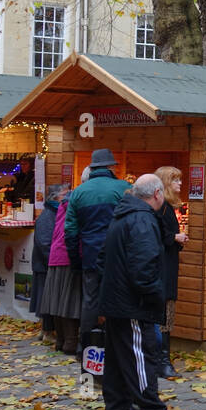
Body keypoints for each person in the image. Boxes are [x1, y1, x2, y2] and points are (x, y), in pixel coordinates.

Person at [96, 173, 187, 410]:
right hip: (133, 304)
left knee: (117, 359)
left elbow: (102, 259)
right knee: (140, 358)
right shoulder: (143, 220)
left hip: (116, 301)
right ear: (157, 194)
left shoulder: (123, 215)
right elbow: (144, 267)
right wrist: (154, 296)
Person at [65, 149, 130, 351]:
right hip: (118, 255)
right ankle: (115, 347)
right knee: (117, 299)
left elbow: (70, 232)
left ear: (93, 168)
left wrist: (76, 261)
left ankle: (86, 347)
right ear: (110, 167)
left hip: (90, 254)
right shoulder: (124, 188)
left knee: (90, 300)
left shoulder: (78, 192)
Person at [153, 166, 187, 380]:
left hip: (167, 265)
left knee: (166, 311)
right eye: (175, 180)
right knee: (164, 313)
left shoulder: (166, 207)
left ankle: (162, 359)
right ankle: (162, 360)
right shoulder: (161, 208)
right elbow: (157, 234)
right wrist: (175, 238)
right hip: (163, 267)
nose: (180, 184)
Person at [41, 185, 82, 353]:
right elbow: (72, 234)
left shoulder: (60, 207)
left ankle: (60, 341)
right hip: (67, 256)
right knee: (69, 301)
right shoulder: (74, 207)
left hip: (55, 256)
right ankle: (70, 342)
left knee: (57, 301)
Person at [31, 184, 65, 345]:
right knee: (46, 299)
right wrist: (52, 262)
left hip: (46, 263)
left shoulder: (54, 213)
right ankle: (47, 332)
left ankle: (45, 329)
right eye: (65, 194)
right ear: (56, 197)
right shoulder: (47, 216)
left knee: (46, 299)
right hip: (45, 265)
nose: (68, 196)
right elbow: (44, 243)